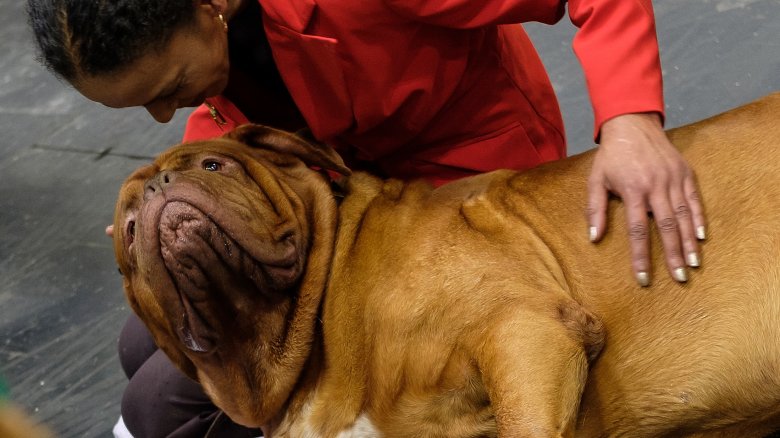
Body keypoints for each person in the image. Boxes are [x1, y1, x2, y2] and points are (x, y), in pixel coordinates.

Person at [28, 0, 707, 435]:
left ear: (213, 5)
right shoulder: (209, 45)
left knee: (160, 405)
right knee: (141, 342)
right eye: (139, 107)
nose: (162, 116)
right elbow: (233, 118)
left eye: (170, 88)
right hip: (346, 192)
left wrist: (629, 120)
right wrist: (178, 212)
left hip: (465, 182)